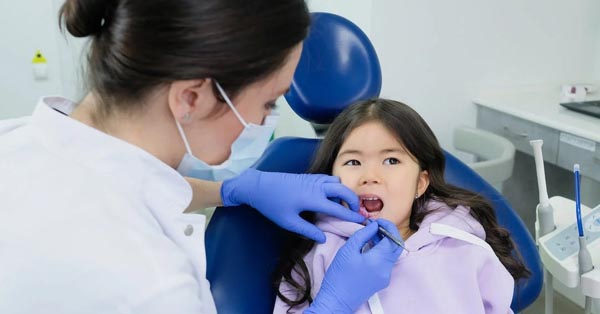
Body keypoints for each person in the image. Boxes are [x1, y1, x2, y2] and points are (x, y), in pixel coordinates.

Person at [0, 1, 402, 313]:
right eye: (268, 103)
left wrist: (231, 190)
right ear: (190, 97)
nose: (266, 121)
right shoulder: (152, 285)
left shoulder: (16, 140)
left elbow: (116, 187)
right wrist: (332, 305)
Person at [274, 98, 531, 314]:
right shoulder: (316, 255)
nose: (370, 175)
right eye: (353, 162)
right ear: (331, 179)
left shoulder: (463, 244)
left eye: (391, 160)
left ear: (420, 183)